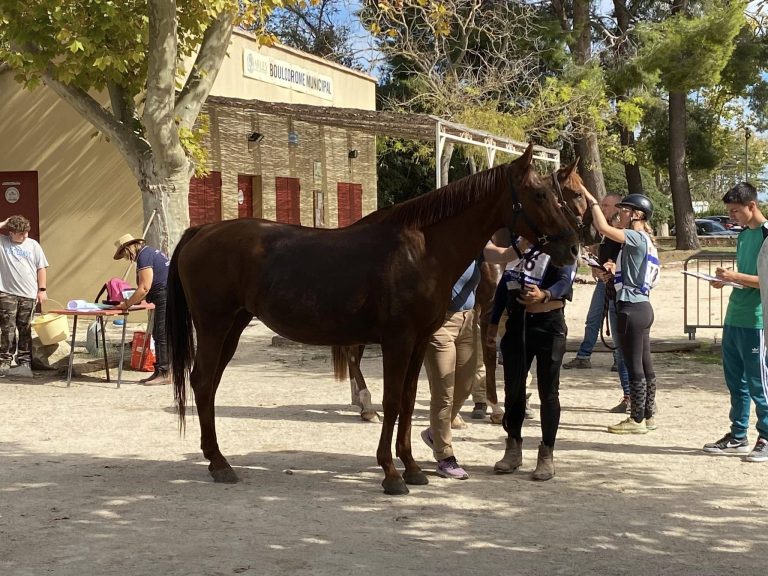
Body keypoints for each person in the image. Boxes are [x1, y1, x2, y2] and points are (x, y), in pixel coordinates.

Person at [420, 241, 519, 480]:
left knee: (466, 385)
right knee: (444, 389)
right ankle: (445, 456)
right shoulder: (437, 241)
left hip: (468, 320)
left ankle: (435, 432)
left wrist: (526, 241)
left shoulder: (476, 241)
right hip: (438, 324)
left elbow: (503, 254)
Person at [489, 237, 577, 481]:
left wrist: (545, 294)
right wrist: (493, 322)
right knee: (513, 389)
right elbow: (504, 283)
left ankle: (546, 453)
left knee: (548, 392)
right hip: (519, 323)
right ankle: (513, 447)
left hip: (550, 324)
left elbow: (564, 280)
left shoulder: (562, 246)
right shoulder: (522, 246)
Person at [583, 192, 659, 434]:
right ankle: (647, 416)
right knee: (645, 364)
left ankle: (636, 419)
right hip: (643, 306)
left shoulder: (635, 236)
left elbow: (602, 226)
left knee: (634, 364)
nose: (620, 213)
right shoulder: (645, 239)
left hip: (630, 307)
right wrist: (613, 270)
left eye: (625, 210)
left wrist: (592, 201)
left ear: (637, 214)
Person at [705, 182, 768, 462]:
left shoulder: (766, 235)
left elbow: (764, 281)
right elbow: (746, 275)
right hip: (734, 317)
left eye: (735, 212)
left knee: (759, 382)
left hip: (757, 321)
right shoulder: (743, 236)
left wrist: (735, 277)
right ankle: (738, 435)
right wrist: (726, 280)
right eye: (729, 212)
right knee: (735, 381)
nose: (731, 217)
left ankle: (765, 436)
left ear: (752, 206)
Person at [564, 193, 632, 413]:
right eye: (601, 204)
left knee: (625, 347)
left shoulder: (622, 233)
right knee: (595, 321)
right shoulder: (610, 233)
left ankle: (635, 397)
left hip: (621, 290)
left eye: (607, 205)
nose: (603, 208)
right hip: (609, 284)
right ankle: (631, 395)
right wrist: (598, 268)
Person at [113, 233, 170, 385]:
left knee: (162, 334)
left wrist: (126, 304)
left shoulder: (144, 256)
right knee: (158, 334)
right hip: (163, 294)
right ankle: (159, 371)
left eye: (124, 254)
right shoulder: (149, 253)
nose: (126, 258)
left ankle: (165, 373)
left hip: (165, 294)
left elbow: (144, 287)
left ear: (129, 248)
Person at [0, 215, 49, 376]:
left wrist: (42, 290)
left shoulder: (33, 245)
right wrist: (5, 223)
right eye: (21, 233)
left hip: (28, 294)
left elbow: (41, 267)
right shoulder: (3, 242)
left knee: (25, 328)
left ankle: (25, 361)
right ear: (11, 232)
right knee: (7, 328)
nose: (25, 235)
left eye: (26, 232)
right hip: (7, 292)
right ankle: (5, 360)